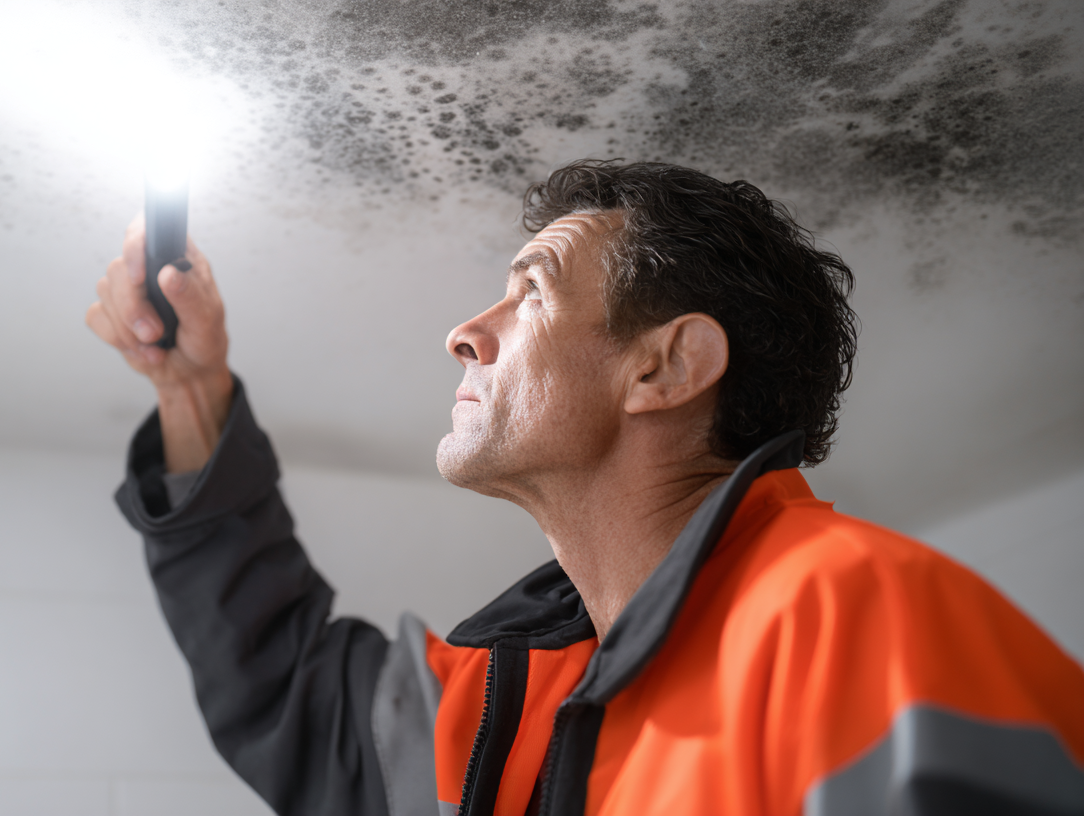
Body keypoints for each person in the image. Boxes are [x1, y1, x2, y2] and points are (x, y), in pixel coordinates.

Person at [85, 160, 1084, 816]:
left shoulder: (856, 621)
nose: (463, 334)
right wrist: (190, 390)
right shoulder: (505, 703)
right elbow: (285, 688)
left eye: (531, 291)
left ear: (665, 368)